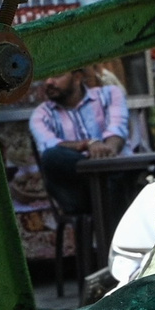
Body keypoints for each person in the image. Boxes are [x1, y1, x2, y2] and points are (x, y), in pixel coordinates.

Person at [27, 64, 131, 216]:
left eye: (56, 75)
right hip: (80, 189)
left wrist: (107, 152)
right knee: (52, 156)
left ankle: (110, 225)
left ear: (77, 78)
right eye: (46, 77)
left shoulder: (110, 94)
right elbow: (48, 144)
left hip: (119, 177)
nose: (48, 82)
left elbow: (117, 129)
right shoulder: (41, 114)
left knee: (119, 178)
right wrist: (88, 145)